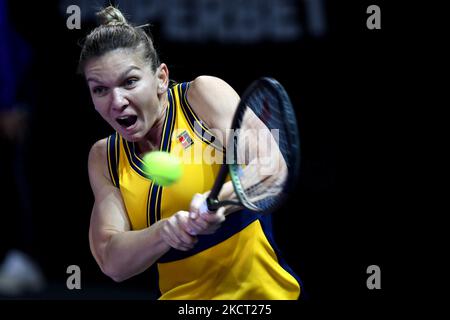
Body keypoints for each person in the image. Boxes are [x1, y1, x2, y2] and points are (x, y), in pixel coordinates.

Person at [81, 6, 301, 300]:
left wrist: (216, 203)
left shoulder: (200, 96)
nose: (117, 101)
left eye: (130, 82)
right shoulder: (104, 157)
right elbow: (111, 260)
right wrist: (164, 232)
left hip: (263, 296)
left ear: (161, 77)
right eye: (100, 90)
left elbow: (272, 167)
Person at [0, 0, 45, 296]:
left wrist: (8, 102)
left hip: (9, 107)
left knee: (9, 179)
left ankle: (16, 260)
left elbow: (6, 46)